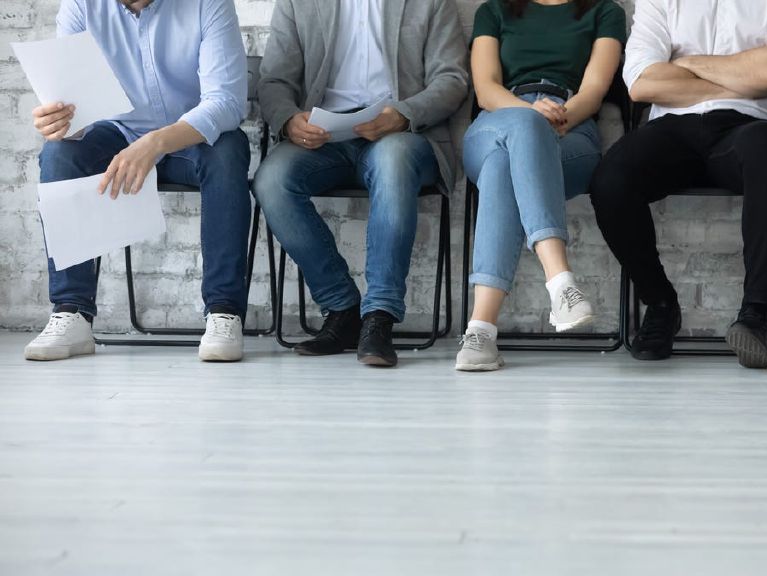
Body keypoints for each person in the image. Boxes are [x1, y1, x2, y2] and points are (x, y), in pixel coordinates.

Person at [25, 0, 251, 363]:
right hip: (117, 134)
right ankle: (71, 310)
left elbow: (226, 101)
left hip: (191, 138)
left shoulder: (207, 4)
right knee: (58, 154)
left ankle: (224, 310)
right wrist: (59, 123)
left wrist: (155, 143)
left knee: (229, 150)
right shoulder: (81, 6)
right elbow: (73, 106)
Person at [588, 0, 767, 368]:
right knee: (611, 179)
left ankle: (755, 315)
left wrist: (685, 63)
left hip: (753, 125)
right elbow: (641, 82)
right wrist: (745, 75)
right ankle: (660, 303)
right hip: (674, 128)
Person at [253, 0, 468, 368]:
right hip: (324, 136)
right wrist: (288, 119)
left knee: (392, 162)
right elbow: (274, 80)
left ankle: (379, 316)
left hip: (402, 133)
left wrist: (403, 113)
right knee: (272, 180)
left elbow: (452, 78)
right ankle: (342, 308)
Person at [454, 0, 626, 372]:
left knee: (502, 166)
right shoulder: (494, 10)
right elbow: (486, 89)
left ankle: (480, 332)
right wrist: (530, 117)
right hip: (498, 120)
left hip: (571, 125)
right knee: (519, 133)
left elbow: (594, 91)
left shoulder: (605, 11)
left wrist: (554, 120)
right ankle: (560, 281)